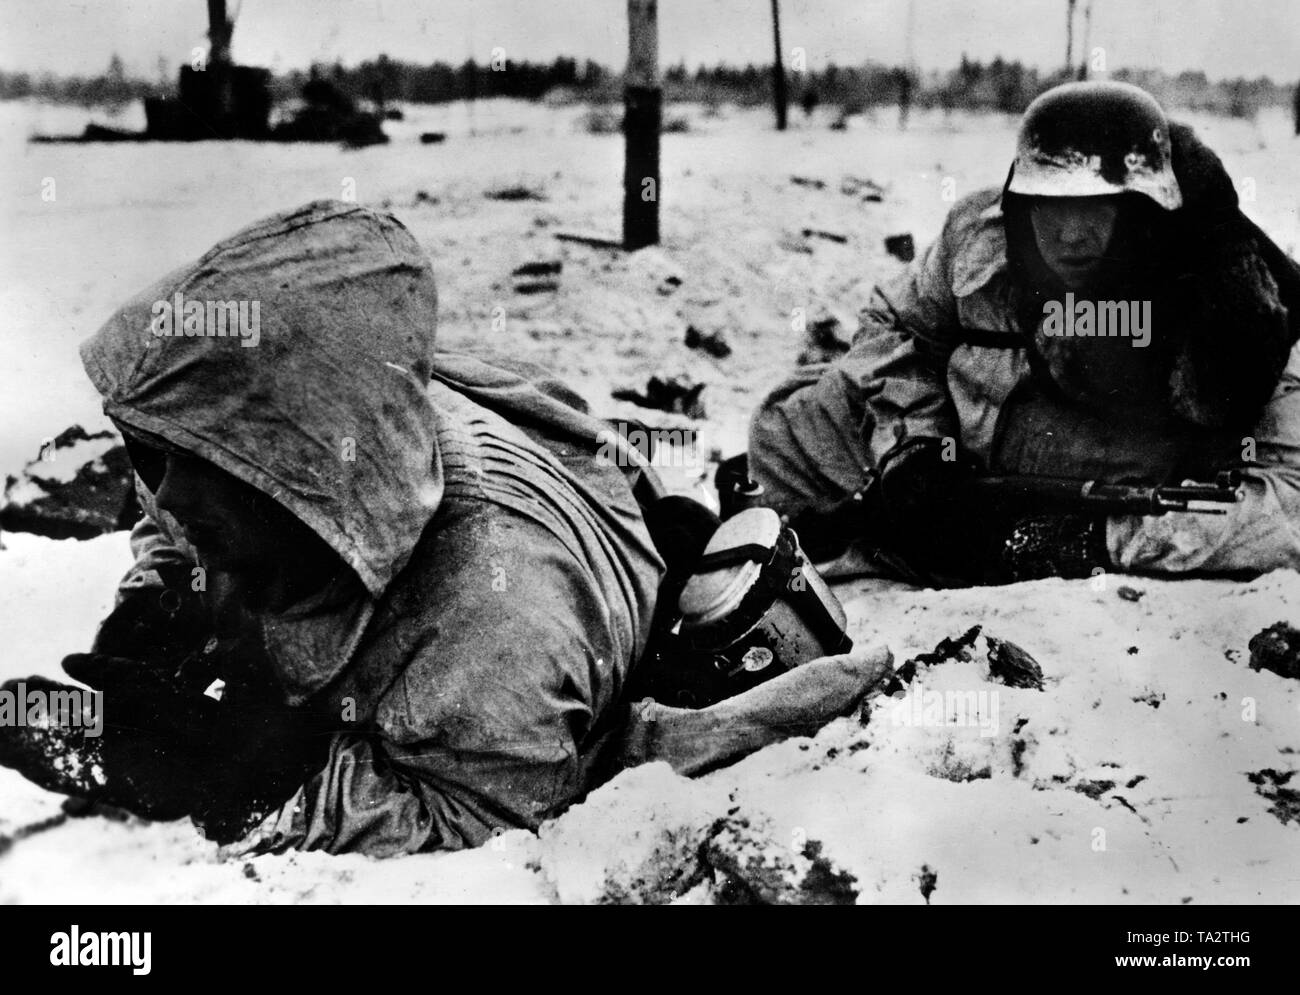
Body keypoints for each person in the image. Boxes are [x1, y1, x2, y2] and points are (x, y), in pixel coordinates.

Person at [0, 201, 888, 857]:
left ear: (274, 469)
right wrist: (153, 609)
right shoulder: (258, 452)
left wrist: (262, 780)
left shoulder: (494, 616)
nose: (157, 495)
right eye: (149, 458)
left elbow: (486, 817)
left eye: (174, 466)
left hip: (560, 563)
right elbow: (174, 511)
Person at [747, 81, 1300, 585]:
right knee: (788, 419)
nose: (1070, 234)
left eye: (1098, 209)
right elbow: (896, 325)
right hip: (961, 467)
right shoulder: (983, 240)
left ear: (1143, 211)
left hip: (1101, 501)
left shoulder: (1236, 306)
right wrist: (914, 454)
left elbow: (1287, 503)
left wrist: (1088, 543)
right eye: (1049, 208)